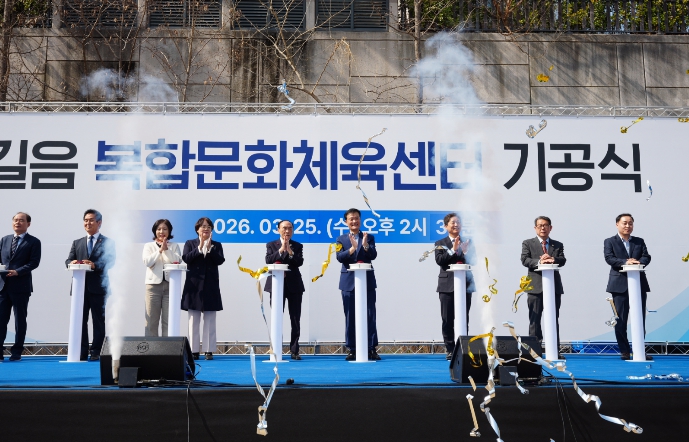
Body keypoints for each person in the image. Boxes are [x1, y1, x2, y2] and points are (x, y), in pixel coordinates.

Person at [66, 209, 116, 362]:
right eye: (86, 220)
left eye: (91, 220)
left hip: (98, 288)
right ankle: (81, 352)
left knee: (98, 321)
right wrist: (72, 262)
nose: (88, 223)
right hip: (79, 288)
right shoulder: (77, 242)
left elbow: (111, 262)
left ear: (99, 223)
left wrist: (95, 265)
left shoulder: (107, 242)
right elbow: (68, 260)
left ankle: (96, 351)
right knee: (80, 321)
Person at [604, 213, 652, 361]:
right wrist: (626, 262)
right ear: (617, 224)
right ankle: (624, 351)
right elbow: (609, 258)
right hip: (619, 286)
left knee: (639, 319)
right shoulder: (610, 241)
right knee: (621, 320)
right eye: (624, 223)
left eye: (630, 223)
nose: (627, 226)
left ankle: (639, 350)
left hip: (638, 284)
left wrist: (638, 262)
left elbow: (646, 256)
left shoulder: (639, 241)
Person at [335, 208, 380, 361]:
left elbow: (373, 255)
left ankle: (371, 348)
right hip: (348, 282)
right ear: (346, 222)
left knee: (370, 315)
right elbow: (339, 257)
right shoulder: (341, 239)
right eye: (351, 219)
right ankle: (352, 349)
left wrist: (365, 246)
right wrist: (353, 248)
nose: (354, 221)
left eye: (356, 218)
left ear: (360, 220)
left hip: (367, 281)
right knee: (350, 316)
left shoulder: (369, 237)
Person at [181, 217, 225, 360]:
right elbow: (186, 258)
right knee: (193, 320)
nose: (206, 229)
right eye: (203, 226)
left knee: (210, 319)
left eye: (208, 227)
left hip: (210, 285)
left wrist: (210, 248)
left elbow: (220, 260)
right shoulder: (190, 243)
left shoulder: (216, 245)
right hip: (194, 286)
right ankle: (193, 350)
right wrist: (199, 247)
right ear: (197, 229)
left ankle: (208, 350)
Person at [520, 216, 566, 352]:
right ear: (535, 228)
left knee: (553, 319)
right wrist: (540, 261)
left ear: (550, 228)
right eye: (540, 225)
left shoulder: (557, 244)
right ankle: (535, 351)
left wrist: (552, 259)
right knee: (534, 320)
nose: (542, 228)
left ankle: (554, 350)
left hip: (553, 287)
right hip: (535, 287)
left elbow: (562, 260)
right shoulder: (528, 243)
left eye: (545, 225)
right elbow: (525, 260)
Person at [0, 213, 41, 362]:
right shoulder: (5, 239)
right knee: (1, 320)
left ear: (28, 224)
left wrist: (18, 271)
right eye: (15, 220)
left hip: (21, 286)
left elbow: (34, 262)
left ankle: (17, 351)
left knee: (20, 321)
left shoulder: (34, 242)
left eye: (21, 220)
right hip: (3, 286)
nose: (18, 223)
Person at [434, 213, 475, 360]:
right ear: (446, 226)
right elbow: (440, 260)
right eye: (453, 222)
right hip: (447, 286)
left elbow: (474, 261)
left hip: (465, 285)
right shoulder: (440, 243)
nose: (456, 225)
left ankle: (462, 347)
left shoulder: (468, 242)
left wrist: (465, 252)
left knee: (463, 318)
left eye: (458, 222)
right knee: (447, 319)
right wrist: (453, 249)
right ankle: (450, 349)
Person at [264, 220, 305, 360]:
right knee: (276, 318)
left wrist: (290, 252)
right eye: (284, 228)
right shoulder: (271, 245)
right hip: (276, 285)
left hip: (294, 286)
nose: (287, 231)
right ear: (278, 229)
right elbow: (268, 260)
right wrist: (281, 250)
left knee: (295, 319)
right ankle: (276, 349)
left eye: (290, 228)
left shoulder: (297, 246)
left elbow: (299, 262)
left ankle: (294, 350)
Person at [142, 219, 182, 337]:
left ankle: (167, 347)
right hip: (153, 287)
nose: (161, 232)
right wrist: (159, 250)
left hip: (170, 287)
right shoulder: (149, 246)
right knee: (151, 321)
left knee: (168, 321)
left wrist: (166, 249)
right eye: (159, 229)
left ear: (169, 231)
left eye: (165, 229)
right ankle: (151, 347)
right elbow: (147, 262)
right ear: (155, 231)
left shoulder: (174, 246)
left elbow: (177, 261)